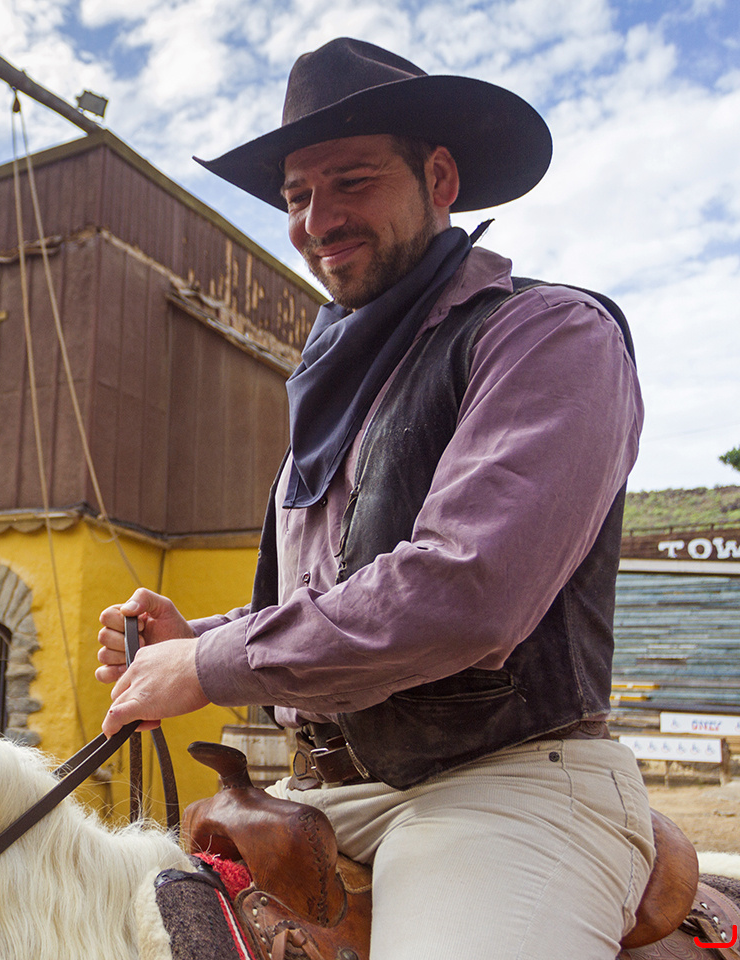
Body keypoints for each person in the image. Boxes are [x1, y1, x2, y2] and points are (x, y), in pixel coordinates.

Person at [95, 38, 650, 959]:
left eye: (351, 181)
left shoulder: (548, 334)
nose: (319, 220)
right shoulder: (338, 389)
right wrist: (196, 638)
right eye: (297, 197)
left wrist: (207, 666)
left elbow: (464, 592)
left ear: (440, 179)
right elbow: (320, 606)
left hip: (504, 783)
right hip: (323, 792)